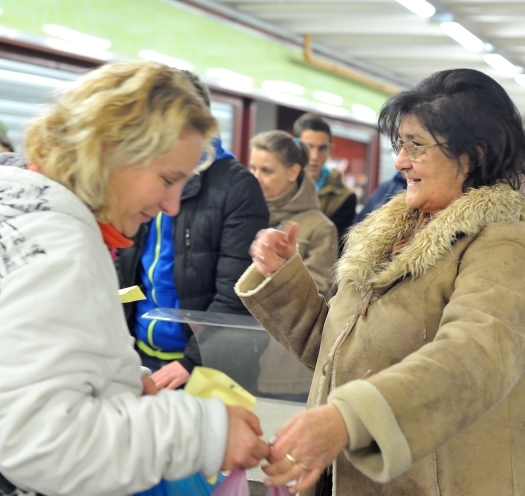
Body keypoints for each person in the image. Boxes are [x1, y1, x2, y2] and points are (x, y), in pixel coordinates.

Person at [0, 62, 270, 496]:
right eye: (168, 179)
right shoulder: (55, 248)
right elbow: (43, 443)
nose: (172, 205)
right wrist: (204, 432)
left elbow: (11, 393)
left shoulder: (17, 224)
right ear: (107, 152)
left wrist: (116, 388)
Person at [237, 68, 525, 496]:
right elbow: (336, 353)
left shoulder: (504, 247)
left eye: (417, 146)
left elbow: (472, 360)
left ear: (475, 154)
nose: (401, 162)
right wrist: (283, 280)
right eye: (399, 145)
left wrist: (348, 419)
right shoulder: (389, 235)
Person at [116, 73, 269, 390]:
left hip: (206, 364)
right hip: (138, 353)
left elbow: (235, 291)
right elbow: (129, 272)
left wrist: (193, 360)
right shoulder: (142, 175)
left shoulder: (236, 187)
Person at [249, 130, 337, 298]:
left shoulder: (321, 228)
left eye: (266, 171)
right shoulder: (240, 212)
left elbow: (317, 294)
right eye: (253, 168)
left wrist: (280, 270)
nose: (256, 177)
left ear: (293, 172)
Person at [294, 113, 357, 252]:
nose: (315, 156)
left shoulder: (345, 198)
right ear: (296, 147)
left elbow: (332, 250)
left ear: (330, 150)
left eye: (322, 148)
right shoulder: (280, 185)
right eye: (308, 147)